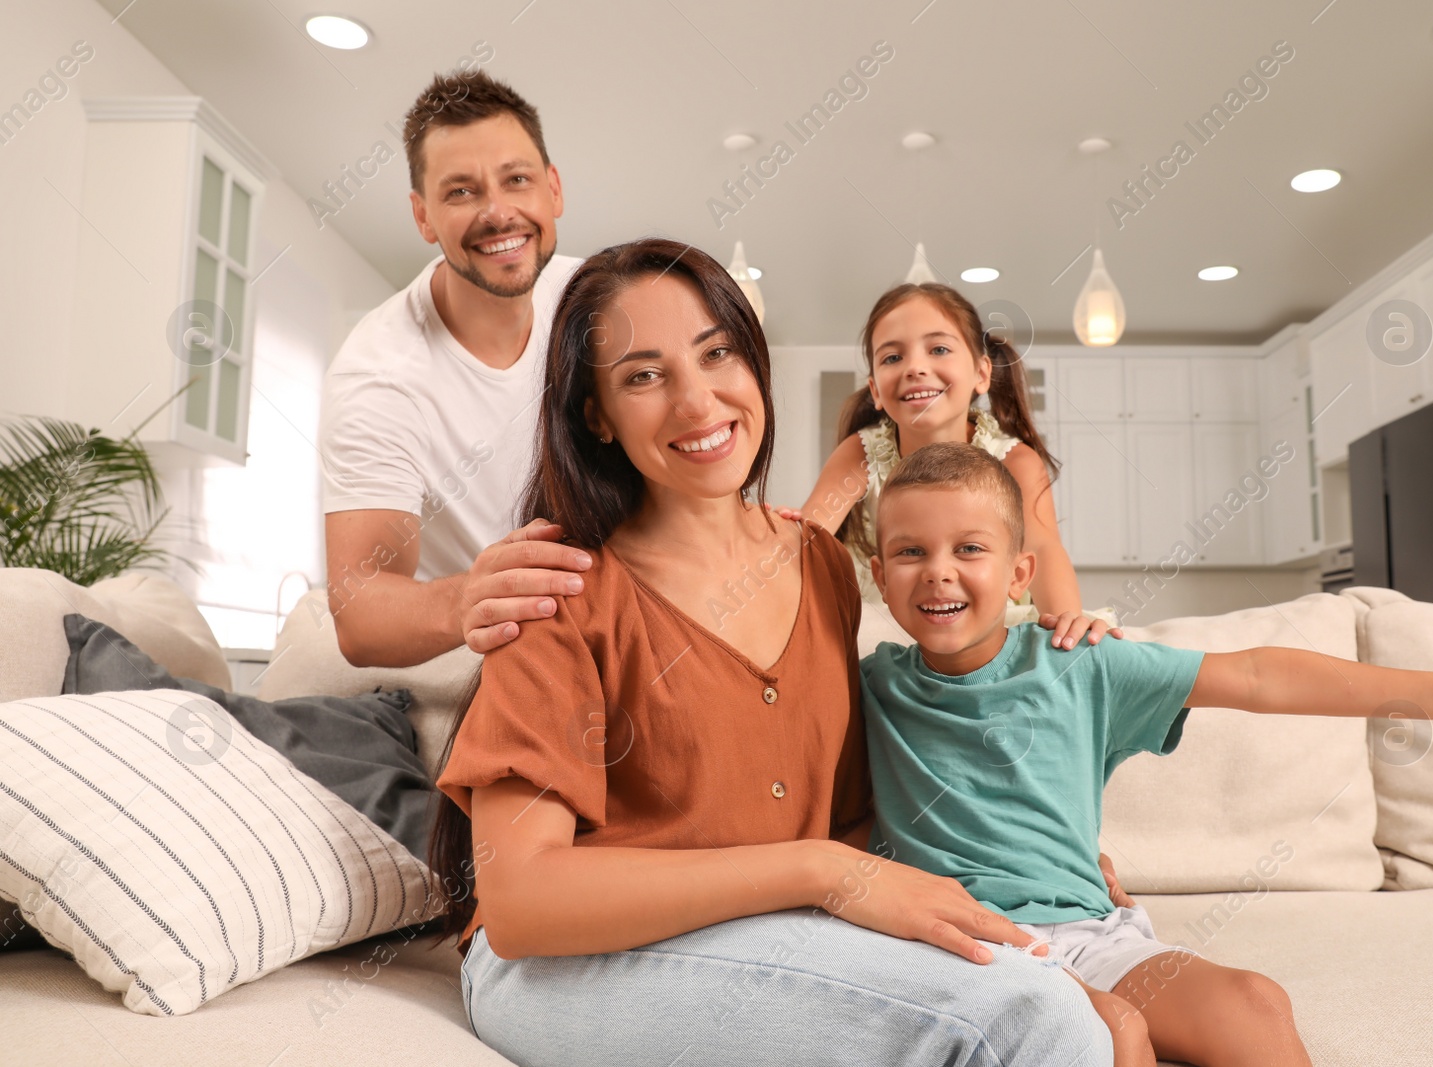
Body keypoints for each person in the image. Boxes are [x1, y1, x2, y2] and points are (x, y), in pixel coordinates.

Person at [429, 238, 1119, 1067]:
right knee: (1032, 1022)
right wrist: (819, 872)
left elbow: (858, 819)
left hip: (772, 935)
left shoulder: (823, 563)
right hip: (560, 965)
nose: (696, 401)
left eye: (717, 353)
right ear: (596, 415)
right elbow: (524, 902)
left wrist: (1041, 857)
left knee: (1063, 1002)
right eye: (643, 375)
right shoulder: (556, 588)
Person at [858, 441, 1433, 1067]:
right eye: (910, 551)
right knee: (1115, 1029)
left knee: (1256, 1003)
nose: (938, 572)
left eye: (969, 548)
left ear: (1020, 572)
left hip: (1091, 931)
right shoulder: (869, 685)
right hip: (970, 943)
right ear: (879, 572)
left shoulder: (1079, 661)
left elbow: (1260, 676)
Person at [318, 70, 591, 668]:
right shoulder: (379, 374)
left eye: (516, 180)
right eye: (461, 192)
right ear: (423, 217)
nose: (498, 213)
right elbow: (360, 612)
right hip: (488, 656)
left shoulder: (596, 299)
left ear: (553, 190)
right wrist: (478, 594)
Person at [799, 282, 1086, 619]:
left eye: (938, 349)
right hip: (890, 626)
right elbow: (808, 537)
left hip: (986, 627)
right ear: (875, 390)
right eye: (892, 357)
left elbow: (1043, 547)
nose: (914, 368)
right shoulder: (862, 453)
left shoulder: (1014, 460)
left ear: (981, 374)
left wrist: (1067, 624)